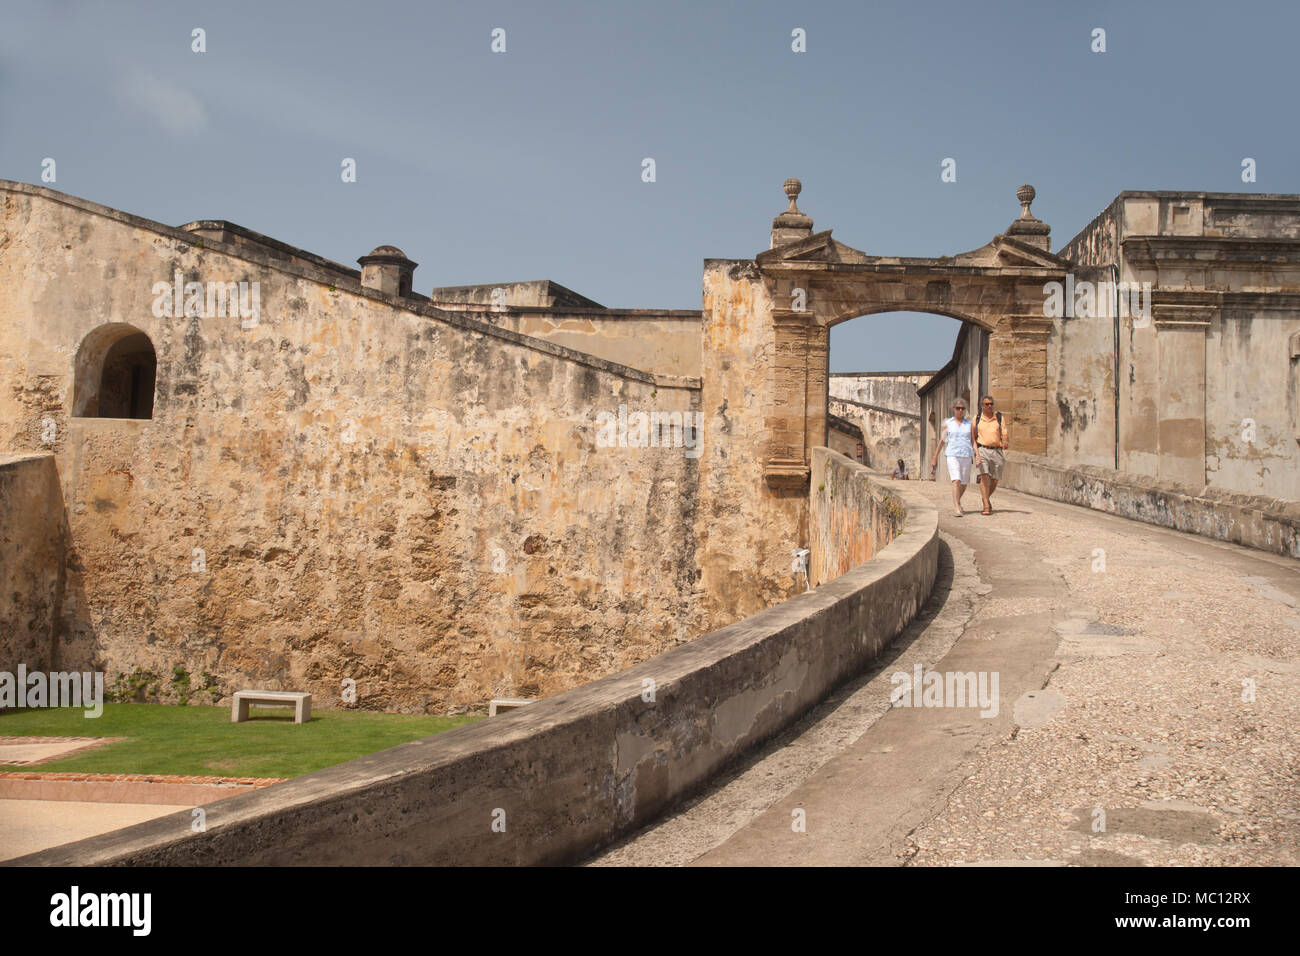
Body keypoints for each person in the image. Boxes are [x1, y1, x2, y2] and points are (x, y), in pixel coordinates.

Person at [930, 399, 973, 516]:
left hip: (966, 454)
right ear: (953, 409)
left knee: (964, 483)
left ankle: (957, 500)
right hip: (952, 454)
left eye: (962, 408)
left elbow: (973, 441)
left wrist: (977, 455)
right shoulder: (948, 423)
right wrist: (935, 456)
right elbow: (942, 440)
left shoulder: (969, 424)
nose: (960, 410)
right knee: (956, 479)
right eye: (958, 408)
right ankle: (957, 507)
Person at [972, 395, 1008, 515]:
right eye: (987, 404)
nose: (989, 406)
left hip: (997, 450)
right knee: (984, 476)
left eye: (991, 404)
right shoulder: (976, 419)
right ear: (982, 406)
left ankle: (985, 497)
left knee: (995, 479)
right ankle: (986, 505)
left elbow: (1004, 432)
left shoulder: (998, 417)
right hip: (982, 449)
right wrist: (976, 453)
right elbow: (973, 437)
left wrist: (1005, 441)